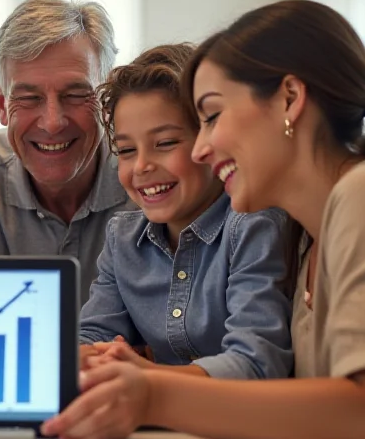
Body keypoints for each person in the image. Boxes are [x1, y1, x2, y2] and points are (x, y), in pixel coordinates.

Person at [42, 0, 365, 439]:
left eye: (211, 117)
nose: (203, 147)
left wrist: (153, 391)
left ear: (290, 100)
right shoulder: (309, 239)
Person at [79, 44, 292, 379]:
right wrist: (86, 358)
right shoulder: (122, 239)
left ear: (211, 140)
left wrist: (146, 377)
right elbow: (92, 335)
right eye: (126, 150)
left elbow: (255, 361)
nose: (143, 166)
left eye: (165, 143)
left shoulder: (252, 225)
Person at [0, 0, 134, 303]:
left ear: (107, 100)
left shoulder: (145, 177)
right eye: (29, 98)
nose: (53, 122)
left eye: (75, 94)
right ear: (1, 103)